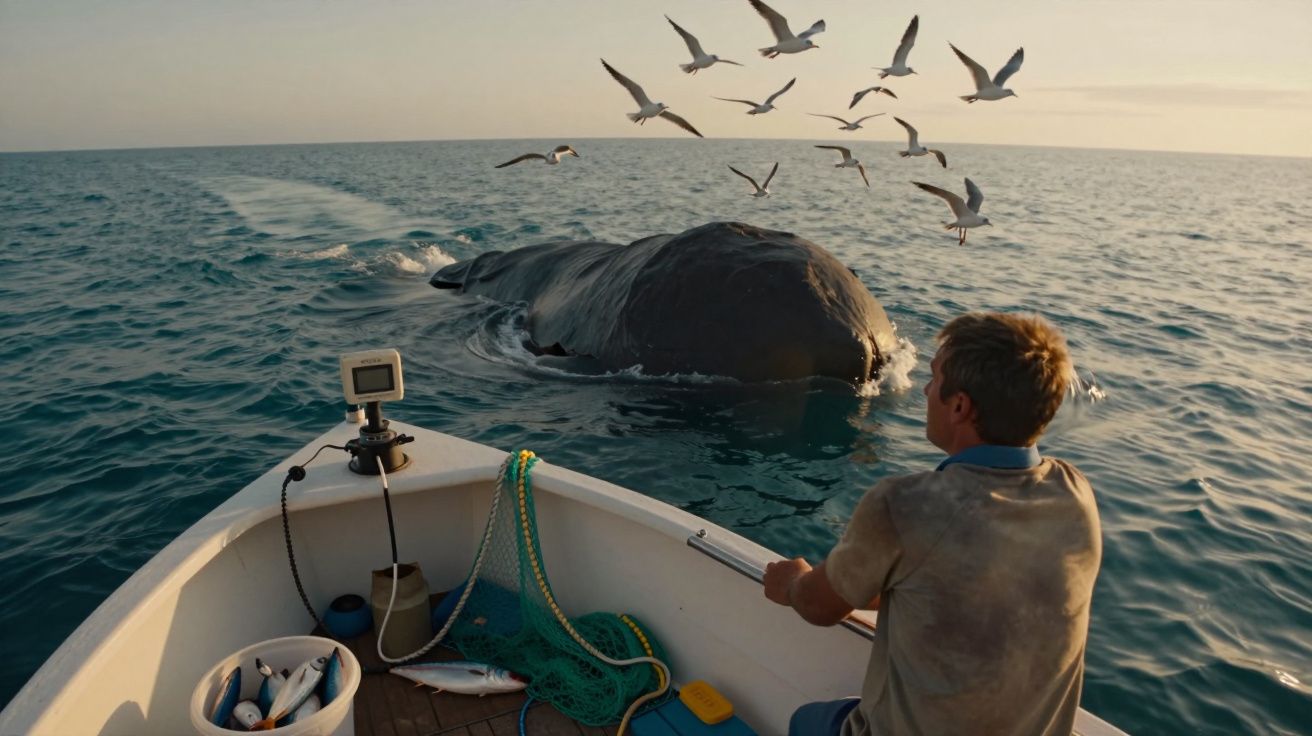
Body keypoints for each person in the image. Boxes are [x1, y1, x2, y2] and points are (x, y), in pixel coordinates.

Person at [763, 312, 1102, 736]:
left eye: (933, 378)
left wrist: (793, 582)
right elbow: (970, 582)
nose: (923, 390)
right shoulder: (1076, 494)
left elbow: (821, 607)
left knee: (804, 721)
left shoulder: (903, 505)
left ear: (959, 406)